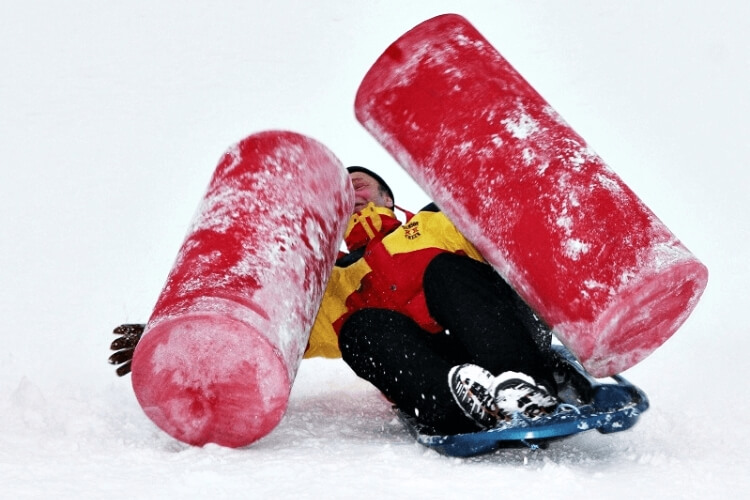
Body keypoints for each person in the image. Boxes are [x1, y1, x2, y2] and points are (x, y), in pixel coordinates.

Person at [110, 166, 558, 435]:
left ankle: (523, 384)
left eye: (359, 184)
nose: (351, 193)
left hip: (505, 340)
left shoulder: (437, 219)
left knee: (445, 271)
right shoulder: (327, 287)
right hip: (446, 377)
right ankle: (461, 400)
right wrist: (172, 336)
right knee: (360, 330)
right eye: (339, 194)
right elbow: (259, 331)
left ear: (387, 196)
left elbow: (523, 231)